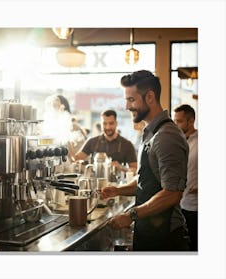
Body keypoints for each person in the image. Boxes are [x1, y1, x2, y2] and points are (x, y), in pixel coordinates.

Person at [101, 70, 190, 251]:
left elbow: (172, 193)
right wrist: (117, 190)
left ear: (150, 97)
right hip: (150, 230)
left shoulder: (166, 136)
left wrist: (131, 215)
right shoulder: (151, 132)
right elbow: (146, 181)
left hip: (166, 237)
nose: (127, 106)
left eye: (131, 100)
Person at [73, 109, 137, 174]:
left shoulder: (127, 144)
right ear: (101, 124)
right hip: (96, 182)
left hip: (119, 183)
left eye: (111, 123)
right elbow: (76, 159)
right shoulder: (92, 141)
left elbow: (135, 170)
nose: (108, 127)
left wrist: (121, 167)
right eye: (104, 123)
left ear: (116, 123)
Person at [174, 104, 198, 251]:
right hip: (178, 205)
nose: (175, 125)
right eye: (174, 121)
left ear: (191, 121)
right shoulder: (177, 142)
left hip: (196, 207)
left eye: (179, 121)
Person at [42, 94, 87, 165]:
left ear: (63, 108)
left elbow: (74, 149)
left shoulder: (72, 126)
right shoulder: (50, 125)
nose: (53, 110)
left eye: (56, 106)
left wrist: (73, 159)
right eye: (52, 106)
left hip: (68, 163)